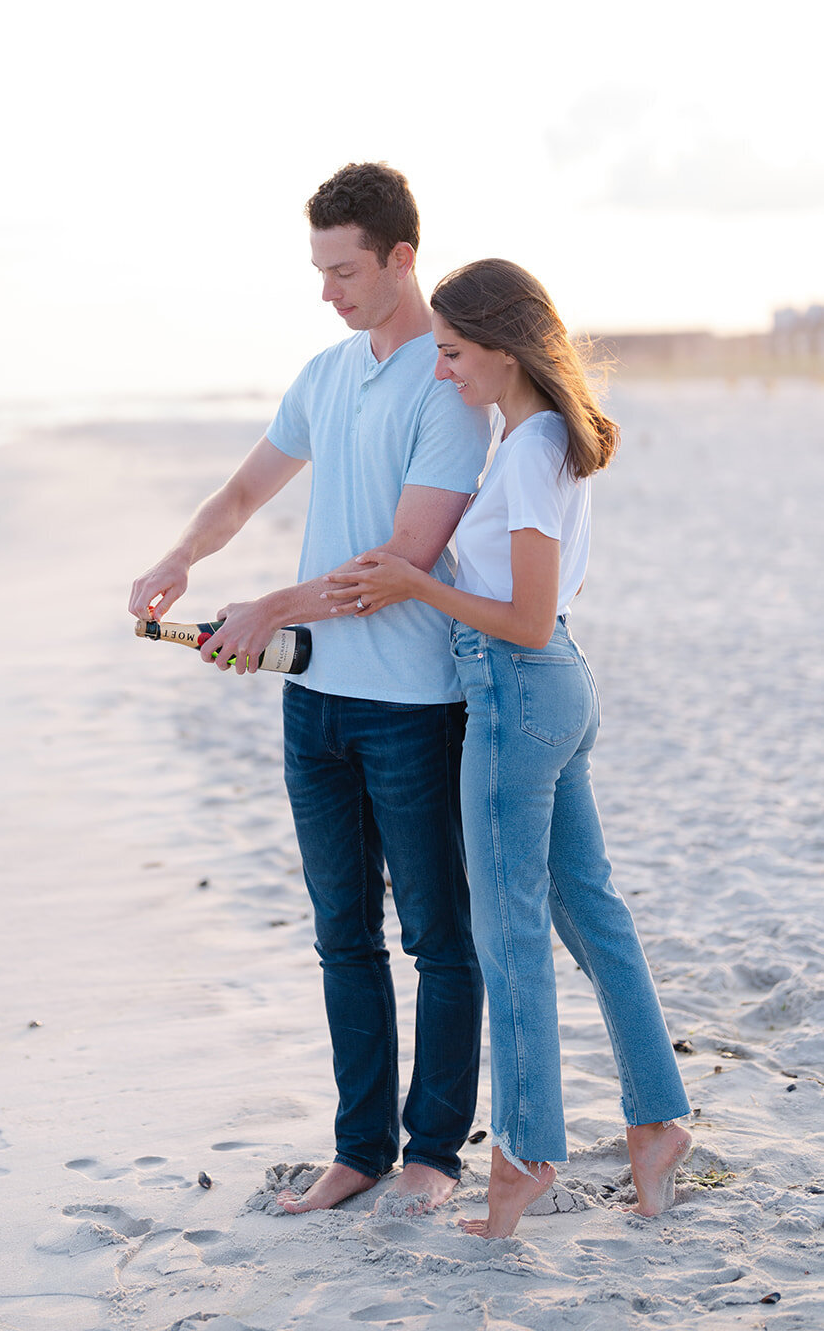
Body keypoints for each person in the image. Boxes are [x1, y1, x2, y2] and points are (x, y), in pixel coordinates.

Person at [128, 163, 494, 1215]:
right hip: (313, 699)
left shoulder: (451, 384)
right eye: (318, 269)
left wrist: (269, 607)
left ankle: (431, 1152)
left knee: (435, 935)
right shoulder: (326, 373)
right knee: (341, 932)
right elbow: (247, 486)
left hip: (415, 706)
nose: (326, 290)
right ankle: (359, 1146)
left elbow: (403, 555)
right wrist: (182, 559)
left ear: (399, 258)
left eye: (342, 270)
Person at [323, 258, 692, 1237]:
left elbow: (523, 618)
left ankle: (523, 1157)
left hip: (516, 690)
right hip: (550, 691)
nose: (441, 372)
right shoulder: (536, 441)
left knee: (509, 935)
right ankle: (655, 1122)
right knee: (590, 916)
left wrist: (416, 583)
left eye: (449, 352)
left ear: (499, 347)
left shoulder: (528, 453)